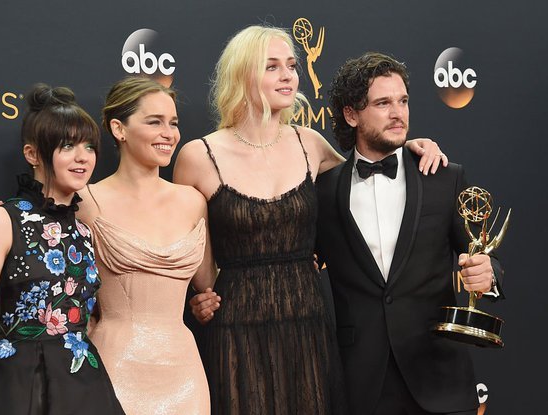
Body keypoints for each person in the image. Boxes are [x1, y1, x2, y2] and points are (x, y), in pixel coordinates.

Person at [175, 25, 446, 415]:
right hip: (235, 324)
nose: (287, 75)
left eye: (291, 65)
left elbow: (368, 183)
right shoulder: (199, 156)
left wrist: (408, 149)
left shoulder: (311, 144)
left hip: (308, 319)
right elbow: (184, 238)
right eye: (272, 67)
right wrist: (198, 293)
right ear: (242, 76)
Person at [315, 52, 504, 415]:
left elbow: (481, 253)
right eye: (383, 103)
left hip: (438, 375)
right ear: (351, 115)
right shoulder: (323, 191)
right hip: (361, 383)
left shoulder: (444, 177)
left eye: (402, 101)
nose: (398, 113)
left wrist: (488, 275)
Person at [0, 84, 125, 414]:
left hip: (82, 384)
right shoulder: (1, 220)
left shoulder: (84, 231)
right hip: (13, 386)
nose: (83, 157)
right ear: (32, 154)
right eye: (67, 146)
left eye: (89, 146)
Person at [76, 76, 214, 415]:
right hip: (115, 364)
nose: (169, 133)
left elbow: (207, 283)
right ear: (119, 129)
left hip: (185, 373)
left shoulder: (193, 201)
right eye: (155, 122)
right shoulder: (86, 200)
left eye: (173, 123)